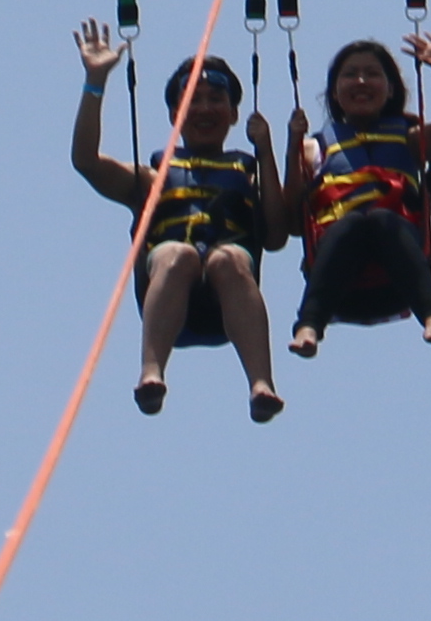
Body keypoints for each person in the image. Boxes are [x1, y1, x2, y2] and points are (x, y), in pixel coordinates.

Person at [72, 22, 284, 420]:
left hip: (228, 302)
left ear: (234, 112)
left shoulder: (250, 173)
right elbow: (86, 161)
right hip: (170, 293)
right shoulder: (154, 178)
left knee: (230, 260)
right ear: (175, 114)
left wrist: (268, 151)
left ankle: (261, 383)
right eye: (192, 99)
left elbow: (274, 236)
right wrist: (95, 82)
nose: (204, 108)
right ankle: (152, 370)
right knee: (175, 254)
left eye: (215, 99)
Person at [283, 30, 431, 357]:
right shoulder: (314, 148)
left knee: (383, 219)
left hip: (397, 279)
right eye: (350, 75)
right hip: (339, 281)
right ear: (335, 92)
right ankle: (309, 324)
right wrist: (291, 146)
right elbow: (292, 220)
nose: (361, 81)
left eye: (372, 74)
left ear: (389, 90)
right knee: (352, 224)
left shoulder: (409, 141)